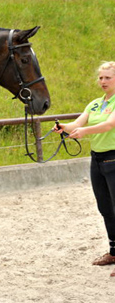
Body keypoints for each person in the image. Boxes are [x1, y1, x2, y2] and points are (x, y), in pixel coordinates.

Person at [55, 61, 115, 277]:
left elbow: (109, 125)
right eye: (101, 78)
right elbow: (76, 124)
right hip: (97, 160)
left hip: (113, 157)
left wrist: (85, 131)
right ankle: (114, 251)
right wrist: (64, 127)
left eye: (107, 77)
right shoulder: (95, 104)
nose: (103, 81)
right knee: (105, 207)